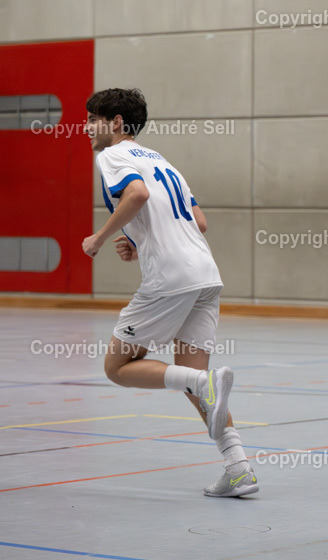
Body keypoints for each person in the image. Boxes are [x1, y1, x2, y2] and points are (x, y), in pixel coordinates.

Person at [82, 88, 257, 498]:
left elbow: (138, 194)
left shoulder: (110, 156)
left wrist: (100, 237)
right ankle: (239, 469)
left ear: (117, 123)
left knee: (117, 368)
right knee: (197, 384)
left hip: (170, 279)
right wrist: (139, 241)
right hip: (205, 274)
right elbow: (198, 220)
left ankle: (200, 381)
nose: (87, 127)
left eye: (92, 119)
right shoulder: (163, 161)